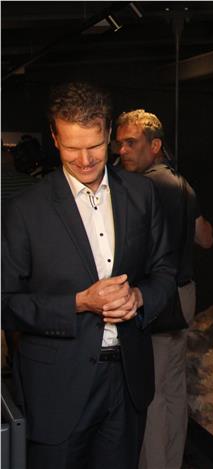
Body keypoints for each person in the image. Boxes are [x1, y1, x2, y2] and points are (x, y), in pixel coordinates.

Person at [1, 82, 176, 469]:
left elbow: (165, 271)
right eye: (71, 148)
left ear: (109, 133)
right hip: (56, 389)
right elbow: (6, 304)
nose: (83, 160)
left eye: (94, 146)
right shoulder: (24, 209)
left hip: (128, 382)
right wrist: (79, 303)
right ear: (54, 138)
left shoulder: (142, 194)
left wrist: (139, 298)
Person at [114, 109, 213, 469]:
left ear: (155, 146)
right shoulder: (182, 184)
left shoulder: (140, 188)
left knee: (151, 391)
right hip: (184, 294)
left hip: (156, 297)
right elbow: (206, 237)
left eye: (131, 143)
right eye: (119, 143)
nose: (122, 150)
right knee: (172, 387)